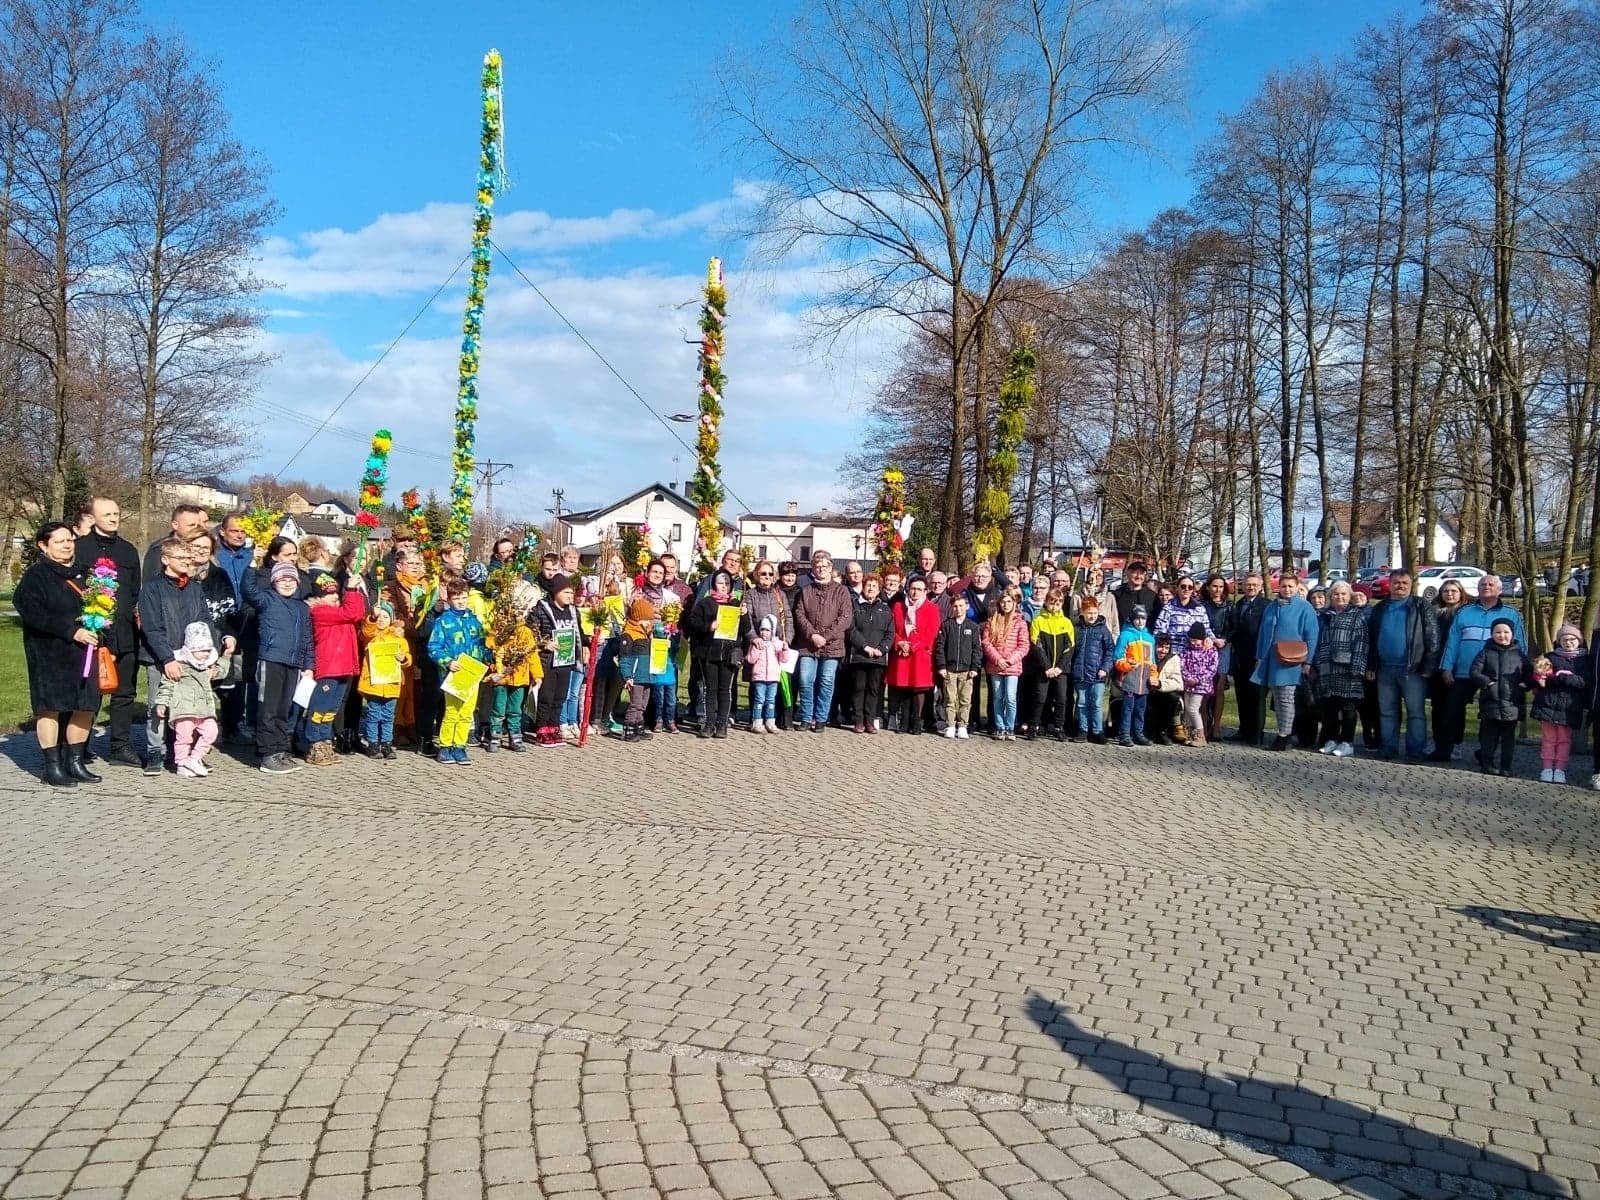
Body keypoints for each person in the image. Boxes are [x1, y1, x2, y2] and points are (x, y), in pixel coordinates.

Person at [17, 522, 106, 787]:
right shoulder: (37, 576)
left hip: (85, 651)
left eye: (70, 540)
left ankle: (75, 761)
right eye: (60, 541)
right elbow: (32, 613)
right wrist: (71, 631)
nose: (67, 545)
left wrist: (99, 626)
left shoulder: (87, 574)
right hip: (50, 653)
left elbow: (101, 607)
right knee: (51, 707)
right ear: (43, 546)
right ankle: (52, 767)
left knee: (84, 706)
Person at [139, 535, 231, 776]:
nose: (187, 562)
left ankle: (182, 754)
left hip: (194, 659)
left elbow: (206, 623)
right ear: (166, 560)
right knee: (159, 706)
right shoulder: (152, 589)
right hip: (163, 657)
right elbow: (151, 626)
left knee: (190, 707)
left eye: (188, 558)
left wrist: (209, 656)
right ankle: (155, 752)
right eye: (181, 558)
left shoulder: (194, 588)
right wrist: (167, 658)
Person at [71, 497, 142, 766]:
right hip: (93, 633)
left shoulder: (127, 550)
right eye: (107, 514)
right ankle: (80, 744)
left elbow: (134, 589)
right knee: (90, 692)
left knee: (124, 692)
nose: (113, 518)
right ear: (92, 517)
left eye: (116, 513)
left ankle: (120, 746)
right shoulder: (80, 549)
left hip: (124, 633)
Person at [1435, 574, 1526, 763]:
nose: (1486, 587)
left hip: (1498, 674)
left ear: (1499, 589)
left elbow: (1521, 646)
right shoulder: (1464, 612)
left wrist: (1521, 673)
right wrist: (1447, 667)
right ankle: (1444, 750)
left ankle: (1486, 753)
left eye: (1491, 584)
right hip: (1463, 671)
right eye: (1482, 584)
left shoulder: (1512, 614)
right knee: (1450, 709)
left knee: (1492, 714)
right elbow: (1452, 642)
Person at [241, 560, 313, 774]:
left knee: (284, 709)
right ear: (273, 582)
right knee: (268, 709)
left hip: (294, 664)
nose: (287, 583)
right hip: (271, 659)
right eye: (282, 579)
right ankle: (267, 753)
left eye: (291, 579)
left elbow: (308, 638)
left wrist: (308, 665)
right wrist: (251, 568)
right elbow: (249, 590)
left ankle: (281, 749)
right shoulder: (267, 599)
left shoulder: (302, 607)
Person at [1365, 568, 1439, 761]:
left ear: (1411, 584)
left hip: (1413, 670)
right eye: (1397, 583)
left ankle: (1415, 751)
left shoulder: (1421, 606)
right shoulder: (1380, 608)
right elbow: (1371, 640)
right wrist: (1371, 666)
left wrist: (1428, 667)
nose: (1401, 586)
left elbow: (1433, 637)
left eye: (1405, 583)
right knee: (1387, 712)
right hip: (1384, 669)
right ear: (1389, 584)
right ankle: (1388, 747)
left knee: (1415, 713)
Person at [302, 570, 368, 766]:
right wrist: (352, 590)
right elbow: (353, 612)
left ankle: (325, 739)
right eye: (327, 594)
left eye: (335, 593)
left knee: (332, 708)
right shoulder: (319, 612)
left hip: (344, 667)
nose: (334, 596)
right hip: (330, 667)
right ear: (317, 597)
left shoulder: (338, 612)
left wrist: (353, 591)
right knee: (320, 706)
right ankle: (314, 741)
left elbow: (358, 613)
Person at [1252, 570, 1320, 751]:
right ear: (1278, 587)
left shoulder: (1304, 607)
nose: (1287, 589)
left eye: (1291, 586)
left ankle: (1284, 736)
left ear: (1297, 587)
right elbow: (1263, 633)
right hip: (1272, 659)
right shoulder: (1272, 606)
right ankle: (1283, 732)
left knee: (1287, 698)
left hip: (1292, 660)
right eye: (1284, 586)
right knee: (1277, 697)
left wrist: (1307, 662)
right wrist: (1259, 657)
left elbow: (1311, 636)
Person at [157, 622, 231, 778]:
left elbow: (220, 672)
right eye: (202, 650)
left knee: (211, 732)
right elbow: (167, 684)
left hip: (204, 709)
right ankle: (181, 763)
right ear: (191, 650)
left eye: (208, 650)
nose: (206, 654)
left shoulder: (207, 667)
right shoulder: (179, 665)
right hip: (184, 709)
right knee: (183, 738)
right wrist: (162, 703)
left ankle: (194, 758)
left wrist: (226, 655)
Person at [427, 578, 488, 764]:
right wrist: (447, 661)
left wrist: (489, 656)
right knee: (452, 711)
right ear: (449, 599)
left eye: (464, 597)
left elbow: (482, 644)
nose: (461, 601)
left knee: (467, 712)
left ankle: (459, 746)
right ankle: (445, 746)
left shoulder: (474, 620)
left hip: (472, 674)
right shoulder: (443, 622)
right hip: (453, 674)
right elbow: (434, 647)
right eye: (457, 598)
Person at [792, 552, 851, 733]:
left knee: (826, 681)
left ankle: (821, 718)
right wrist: (812, 635)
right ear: (813, 569)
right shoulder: (806, 591)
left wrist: (825, 636)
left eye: (825, 566)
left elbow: (845, 617)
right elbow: (799, 614)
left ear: (831, 568)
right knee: (805, 679)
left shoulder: (841, 591)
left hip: (831, 645)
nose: (821, 569)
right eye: (818, 566)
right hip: (807, 645)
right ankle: (806, 716)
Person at [1312, 581, 1369, 758]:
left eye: (1343, 594)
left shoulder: (1356, 616)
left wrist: (1358, 666)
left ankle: (1347, 742)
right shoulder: (1324, 616)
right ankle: (1331, 740)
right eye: (1336, 594)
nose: (1340, 597)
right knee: (1330, 707)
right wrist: (1314, 664)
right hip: (1326, 667)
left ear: (1349, 596)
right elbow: (1316, 641)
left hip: (1348, 668)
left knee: (1348, 708)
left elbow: (1362, 642)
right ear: (1330, 597)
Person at [1530, 625, 1590, 784]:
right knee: (1549, 739)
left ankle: (1560, 770)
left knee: (1564, 740)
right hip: (1548, 704)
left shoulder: (1585, 660)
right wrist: (1549, 677)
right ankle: (1547, 768)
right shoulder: (1550, 657)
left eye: (1572, 639)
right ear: (1559, 641)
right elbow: (1541, 676)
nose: (1568, 643)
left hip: (1570, 707)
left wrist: (1565, 677)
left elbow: (1584, 682)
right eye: (1565, 639)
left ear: (1579, 641)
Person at [686, 569, 742, 738]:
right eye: (720, 583)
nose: (723, 586)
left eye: (727, 583)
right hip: (708, 652)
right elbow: (692, 623)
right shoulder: (705, 603)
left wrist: (744, 616)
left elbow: (744, 629)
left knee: (725, 690)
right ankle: (709, 724)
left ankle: (722, 724)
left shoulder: (735, 604)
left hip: (728, 654)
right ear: (713, 584)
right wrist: (708, 626)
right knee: (710, 689)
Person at [1470, 617, 1528, 777]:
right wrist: (1487, 682)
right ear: (1492, 634)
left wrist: (1525, 684)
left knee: (1509, 739)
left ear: (1512, 634)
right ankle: (1487, 764)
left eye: (1506, 632)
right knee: (1489, 737)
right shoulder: (1485, 653)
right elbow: (1474, 672)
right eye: (1498, 632)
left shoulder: (1520, 655)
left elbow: (1529, 674)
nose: (1502, 635)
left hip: (1512, 703)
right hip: (1491, 702)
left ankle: (1506, 767)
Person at [486, 581, 540, 752]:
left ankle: (514, 736)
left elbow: (532, 654)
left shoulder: (525, 632)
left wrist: (537, 675)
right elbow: (490, 647)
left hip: (520, 677)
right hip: (501, 677)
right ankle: (494, 736)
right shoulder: (498, 629)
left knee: (515, 709)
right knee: (498, 708)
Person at [531, 575, 584, 748]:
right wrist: (543, 643)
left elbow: (579, 632)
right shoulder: (542, 609)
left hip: (566, 660)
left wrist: (587, 644)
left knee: (560, 696)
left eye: (572, 592)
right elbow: (531, 630)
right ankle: (542, 729)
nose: (570, 596)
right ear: (556, 592)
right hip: (548, 660)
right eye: (566, 592)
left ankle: (553, 727)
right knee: (547, 696)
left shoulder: (573, 611)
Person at [358, 602, 411, 759]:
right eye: (379, 617)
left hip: (391, 683)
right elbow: (368, 630)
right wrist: (372, 617)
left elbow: (408, 657)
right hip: (373, 683)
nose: (382, 620)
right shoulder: (370, 637)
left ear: (391, 620)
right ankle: (373, 744)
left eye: (386, 617)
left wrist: (404, 659)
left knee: (388, 716)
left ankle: (387, 743)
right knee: (373, 714)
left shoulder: (398, 639)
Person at [885, 576, 938, 735]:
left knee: (918, 688)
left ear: (925, 591)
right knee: (903, 687)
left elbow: (931, 632)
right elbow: (891, 629)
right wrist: (900, 642)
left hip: (920, 654)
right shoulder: (898, 606)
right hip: (901, 653)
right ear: (907, 589)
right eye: (913, 588)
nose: (915, 592)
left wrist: (913, 646)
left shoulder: (931, 608)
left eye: (919, 589)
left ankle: (917, 721)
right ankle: (904, 721)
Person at [846, 573, 893, 733]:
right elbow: (851, 629)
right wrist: (865, 647)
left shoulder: (886, 609)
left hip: (878, 658)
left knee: (874, 690)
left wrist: (881, 649)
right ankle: (858, 721)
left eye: (874, 586)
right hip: (860, 655)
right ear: (863, 587)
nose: (871, 588)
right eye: (868, 585)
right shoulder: (854, 605)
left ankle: (870, 721)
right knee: (859, 689)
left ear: (879, 589)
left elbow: (890, 633)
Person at [1426, 580, 1468, 758]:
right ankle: (1438, 741)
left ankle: (1455, 743)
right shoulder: (1434, 613)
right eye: (1446, 591)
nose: (1449, 594)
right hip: (1436, 666)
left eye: (1453, 591)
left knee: (1456, 708)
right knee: (1438, 707)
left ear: (1460, 593)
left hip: (1458, 667)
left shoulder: (1466, 613)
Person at [1028, 588, 1075, 741]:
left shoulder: (1066, 623)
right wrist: (1047, 667)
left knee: (1061, 699)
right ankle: (1034, 726)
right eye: (1051, 603)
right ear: (1046, 603)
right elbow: (1036, 645)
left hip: (1060, 670)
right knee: (1040, 698)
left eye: (1058, 603)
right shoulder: (1038, 621)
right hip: (1044, 669)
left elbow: (1070, 647)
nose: (1054, 606)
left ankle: (1058, 727)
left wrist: (1059, 667)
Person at [981, 590, 1028, 740]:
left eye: (1009, 602)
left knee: (1011, 697)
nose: (1006, 605)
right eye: (1003, 602)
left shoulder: (1020, 622)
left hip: (1012, 666)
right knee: (998, 697)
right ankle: (1000, 727)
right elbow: (986, 643)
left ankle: (1010, 727)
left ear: (1014, 603)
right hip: (996, 665)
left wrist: (1009, 660)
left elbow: (1023, 645)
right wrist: (998, 659)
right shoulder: (992, 621)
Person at [1230, 574, 1269, 744]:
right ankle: (1244, 729)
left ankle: (1257, 733)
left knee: (1257, 696)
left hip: (1257, 657)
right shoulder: (1238, 605)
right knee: (1242, 695)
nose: (1251, 587)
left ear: (1260, 587)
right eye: (1248, 584)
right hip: (1240, 657)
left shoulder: (1266, 606)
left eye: (1254, 585)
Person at [934, 595, 980, 740]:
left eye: (961, 606)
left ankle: (962, 726)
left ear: (966, 606)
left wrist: (975, 667)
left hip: (967, 671)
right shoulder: (946, 625)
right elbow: (940, 647)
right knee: (950, 698)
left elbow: (977, 649)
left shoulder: (973, 627)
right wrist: (942, 665)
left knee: (965, 699)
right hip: (950, 669)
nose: (958, 609)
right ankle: (951, 725)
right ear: (951, 608)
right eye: (955, 606)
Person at [615, 595, 659, 743]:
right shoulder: (629, 634)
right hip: (635, 677)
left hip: (646, 675)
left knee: (643, 703)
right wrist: (627, 676)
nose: (649, 623)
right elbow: (624, 658)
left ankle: (639, 725)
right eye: (647, 620)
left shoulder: (646, 634)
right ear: (638, 618)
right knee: (635, 703)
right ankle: (628, 728)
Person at [1108, 604, 1153, 746]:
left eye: (1143, 618)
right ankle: (1124, 734)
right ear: (1132, 619)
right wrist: (1127, 666)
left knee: (1141, 709)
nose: (1140, 621)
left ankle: (1138, 733)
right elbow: (1118, 657)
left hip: (1144, 680)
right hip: (1129, 679)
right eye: (1137, 618)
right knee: (1128, 708)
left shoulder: (1150, 638)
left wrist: (1154, 675)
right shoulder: (1125, 635)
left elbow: (1153, 661)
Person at [1198, 575, 1234, 741]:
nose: (1217, 589)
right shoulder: (1201, 605)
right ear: (1208, 587)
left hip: (1223, 647)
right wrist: (1209, 640)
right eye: (1214, 586)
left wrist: (1224, 640)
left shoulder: (1229, 606)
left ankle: (1217, 726)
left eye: (1220, 586)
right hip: (1206, 646)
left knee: (1219, 687)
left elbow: (1234, 627)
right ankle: (1204, 726)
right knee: (1204, 688)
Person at [745, 613, 793, 734]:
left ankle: (770, 722)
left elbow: (784, 659)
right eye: (762, 630)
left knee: (771, 700)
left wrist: (785, 649)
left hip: (773, 678)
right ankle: (757, 721)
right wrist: (755, 648)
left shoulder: (777, 644)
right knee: (759, 700)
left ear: (772, 631)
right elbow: (750, 659)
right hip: (759, 677)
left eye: (767, 630)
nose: (764, 633)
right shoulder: (757, 644)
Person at [1178, 622, 1219, 747]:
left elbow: (1211, 669)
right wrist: (1187, 677)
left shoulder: (1210, 652)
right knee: (1187, 709)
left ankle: (1201, 735)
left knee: (1193, 709)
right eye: (1191, 640)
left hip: (1201, 686)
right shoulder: (1187, 651)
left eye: (1196, 640)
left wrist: (1198, 679)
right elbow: (1182, 665)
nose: (1193, 643)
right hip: (1188, 684)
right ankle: (1191, 733)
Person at [142, 502, 207, 581]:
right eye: (191, 525)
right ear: (175, 525)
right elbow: (150, 582)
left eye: (197, 526)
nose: (196, 529)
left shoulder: (202, 549)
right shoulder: (160, 549)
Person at [1148, 633, 1184, 744]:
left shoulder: (1174, 659)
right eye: (1160, 646)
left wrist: (1160, 684)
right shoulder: (1147, 656)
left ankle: (1162, 731)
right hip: (1145, 691)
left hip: (1161, 692)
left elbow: (1178, 683)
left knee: (1173, 697)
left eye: (1166, 648)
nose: (1163, 650)